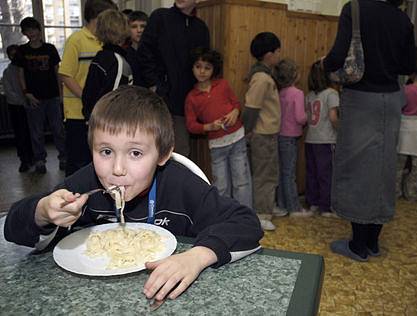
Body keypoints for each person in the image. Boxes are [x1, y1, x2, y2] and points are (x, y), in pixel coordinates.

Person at [4, 86, 263, 302]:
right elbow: (12, 228)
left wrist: (197, 257)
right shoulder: (85, 183)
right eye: (106, 152)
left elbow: (246, 223)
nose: (117, 169)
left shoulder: (181, 184)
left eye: (135, 153)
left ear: (162, 154)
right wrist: (42, 211)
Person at [323, 0, 416, 261]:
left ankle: (358, 245)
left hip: (361, 99)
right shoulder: (403, 20)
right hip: (392, 99)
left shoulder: (354, 9)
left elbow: (337, 57)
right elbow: (407, 66)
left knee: (355, 168)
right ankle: (373, 243)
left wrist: (323, 65)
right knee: (383, 168)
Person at [137, 0, 210, 157]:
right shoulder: (160, 17)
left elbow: (204, 63)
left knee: (180, 153)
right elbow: (144, 53)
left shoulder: (200, 27)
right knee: (152, 149)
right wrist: (155, 85)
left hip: (186, 103)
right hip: (158, 100)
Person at [185, 47, 252, 208]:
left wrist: (235, 112)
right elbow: (191, 125)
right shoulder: (191, 98)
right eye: (198, 66)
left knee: (241, 181)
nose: (202, 71)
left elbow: (236, 103)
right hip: (216, 145)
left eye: (207, 68)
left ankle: (245, 216)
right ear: (192, 68)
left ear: (214, 69)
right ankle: (225, 218)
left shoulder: (222, 85)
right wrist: (209, 126)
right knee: (221, 185)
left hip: (237, 139)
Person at [59, 0, 118, 176]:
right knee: (78, 161)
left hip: (100, 113)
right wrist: (88, 99)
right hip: (78, 113)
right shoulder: (76, 40)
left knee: (98, 160)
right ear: (99, 17)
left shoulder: (106, 42)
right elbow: (65, 74)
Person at [15, 17, 66, 174]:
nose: (32, 33)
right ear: (24, 33)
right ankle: (39, 160)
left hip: (52, 96)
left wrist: (61, 93)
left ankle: (64, 157)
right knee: (36, 132)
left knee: (58, 129)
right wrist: (26, 93)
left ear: (39, 30)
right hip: (33, 98)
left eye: (34, 29)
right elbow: (20, 74)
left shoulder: (50, 49)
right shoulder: (22, 51)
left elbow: (58, 72)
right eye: (28, 30)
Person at [242, 32, 281, 231]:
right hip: (262, 134)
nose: (279, 55)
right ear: (269, 54)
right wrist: (247, 131)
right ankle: (261, 214)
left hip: (268, 133)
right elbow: (251, 108)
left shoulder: (264, 75)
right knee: (264, 174)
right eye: (277, 52)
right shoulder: (262, 78)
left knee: (269, 172)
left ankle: (267, 206)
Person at [272, 58, 310, 217]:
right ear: (295, 75)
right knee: (289, 173)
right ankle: (295, 207)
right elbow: (300, 117)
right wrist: (309, 116)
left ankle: (282, 205)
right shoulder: (298, 93)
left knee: (281, 172)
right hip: (291, 137)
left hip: (279, 135)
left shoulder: (279, 92)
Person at [82, 9, 133, 120]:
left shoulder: (99, 57)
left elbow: (88, 95)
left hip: (95, 118)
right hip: (109, 122)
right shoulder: (117, 61)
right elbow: (114, 99)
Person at [305, 61, 339, 218]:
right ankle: (326, 207)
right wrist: (341, 129)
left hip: (310, 139)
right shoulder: (332, 93)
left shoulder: (310, 95)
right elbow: (333, 117)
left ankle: (313, 203)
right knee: (326, 174)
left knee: (312, 173)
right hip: (326, 140)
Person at [2, 44, 34, 172]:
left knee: (32, 133)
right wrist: (23, 101)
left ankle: (34, 157)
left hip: (30, 105)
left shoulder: (27, 69)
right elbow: (9, 92)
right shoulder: (7, 72)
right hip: (17, 107)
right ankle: (24, 160)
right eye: (12, 54)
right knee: (20, 134)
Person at [396, 58, 417, 201]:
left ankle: (395, 192)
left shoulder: (405, 90)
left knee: (398, 165)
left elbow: (398, 107)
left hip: (404, 129)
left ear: (413, 74)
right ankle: (412, 193)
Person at [125, 10, 148, 86]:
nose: (139, 30)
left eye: (143, 26)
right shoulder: (124, 54)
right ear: (128, 29)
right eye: (134, 27)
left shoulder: (153, 53)